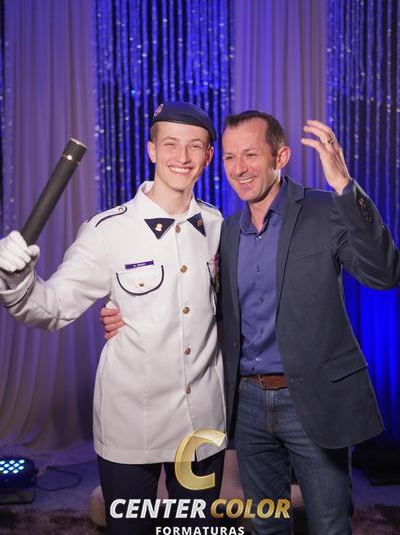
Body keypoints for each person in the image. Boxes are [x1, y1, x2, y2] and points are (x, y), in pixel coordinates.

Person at [102, 111, 400, 535]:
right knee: (266, 525)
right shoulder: (225, 231)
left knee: (330, 524)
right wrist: (125, 314)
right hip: (248, 405)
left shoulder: (323, 210)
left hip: (311, 398)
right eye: (229, 157)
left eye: (250, 155)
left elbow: (384, 273)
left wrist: (345, 188)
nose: (238, 168)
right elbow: (200, 304)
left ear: (281, 156)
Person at [0, 101, 226, 535]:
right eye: (170, 144)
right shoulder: (107, 231)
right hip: (131, 424)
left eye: (194, 146)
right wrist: (16, 280)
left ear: (208, 155)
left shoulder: (217, 226)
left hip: (202, 423)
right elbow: (52, 308)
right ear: (152, 150)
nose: (182, 157)